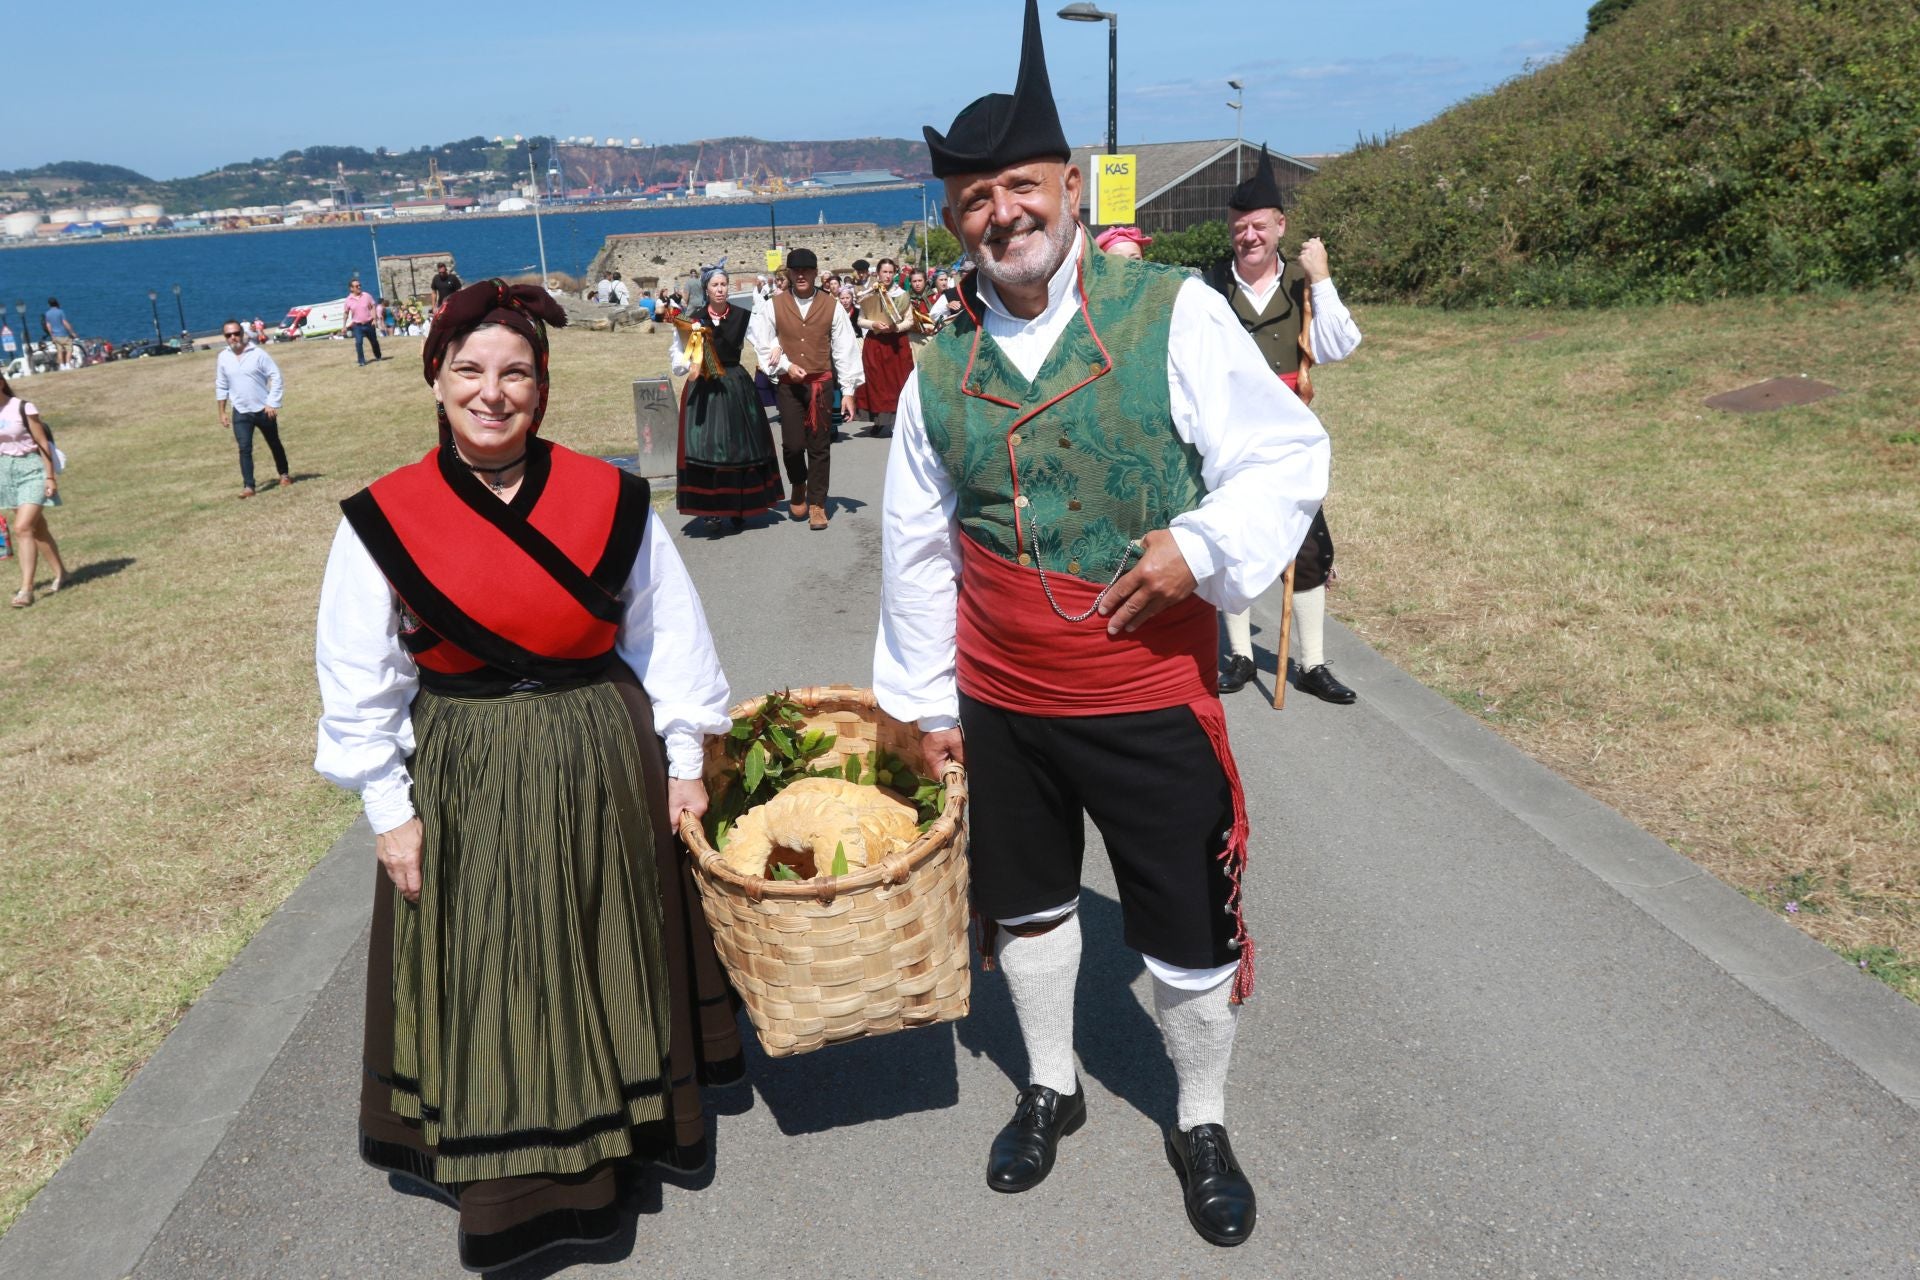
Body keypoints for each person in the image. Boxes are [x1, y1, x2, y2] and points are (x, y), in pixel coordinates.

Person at [873, 0, 1328, 1248]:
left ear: (1068, 187)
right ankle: (1052, 1086)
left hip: (1142, 694)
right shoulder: (935, 365)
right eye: (975, 199)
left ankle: (1200, 1113)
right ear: (955, 217)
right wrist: (918, 706)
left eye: (1022, 185)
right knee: (1026, 907)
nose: (1002, 214)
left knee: (1183, 929)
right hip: (1002, 699)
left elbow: (1287, 455)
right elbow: (915, 543)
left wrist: (1203, 544)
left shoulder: (1168, 311)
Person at [314, 280, 744, 1273]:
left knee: (608, 938)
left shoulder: (610, 496)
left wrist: (686, 764)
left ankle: (624, 1135)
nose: (491, 391)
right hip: (465, 767)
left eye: (514, 371)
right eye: (469, 369)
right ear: (435, 377)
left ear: (543, 386)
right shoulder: (384, 517)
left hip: (602, 753)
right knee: (497, 959)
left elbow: (669, 635)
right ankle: (516, 1181)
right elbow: (358, 675)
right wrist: (390, 806)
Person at [1202, 146, 1364, 704]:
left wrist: (1321, 278)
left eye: (1259, 226)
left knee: (1309, 548)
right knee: (1231, 542)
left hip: (1289, 440)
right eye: (1239, 227)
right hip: (1226, 438)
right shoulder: (1209, 287)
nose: (1249, 236)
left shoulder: (1302, 283)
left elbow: (1342, 345)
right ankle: (1241, 658)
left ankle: (1313, 664)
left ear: (1280, 227)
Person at [747, 247, 862, 530]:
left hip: (821, 384)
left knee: (820, 446)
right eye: (795, 271)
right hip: (789, 386)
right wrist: (785, 365)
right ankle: (799, 483)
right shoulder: (773, 305)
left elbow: (846, 349)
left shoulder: (831, 305)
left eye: (806, 271)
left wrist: (848, 391)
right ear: (789, 274)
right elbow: (761, 341)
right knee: (793, 445)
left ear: (814, 273)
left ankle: (817, 503)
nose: (801, 275)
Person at [670, 269, 783, 532]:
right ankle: (710, 509)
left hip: (735, 387)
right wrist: (691, 363)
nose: (720, 289)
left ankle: (739, 505)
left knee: (738, 445)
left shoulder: (743, 316)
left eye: (723, 284)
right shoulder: (691, 320)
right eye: (715, 285)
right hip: (704, 390)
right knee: (706, 446)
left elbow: (764, 342)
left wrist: (776, 347)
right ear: (706, 290)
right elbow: (678, 359)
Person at [0, 375, 69, 607]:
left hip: (32, 469)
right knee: (37, 527)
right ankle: (61, 573)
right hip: (5, 472)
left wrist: (49, 476)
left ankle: (26, 589)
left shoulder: (22, 407)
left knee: (22, 527)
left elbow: (42, 443)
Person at [215, 319, 292, 498]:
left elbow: (276, 376)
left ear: (242, 334)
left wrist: (272, 402)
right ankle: (249, 486)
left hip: (264, 410)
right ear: (225, 337)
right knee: (244, 448)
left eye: (236, 333)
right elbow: (221, 384)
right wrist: (222, 412)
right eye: (229, 335)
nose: (233, 337)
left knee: (274, 443)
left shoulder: (258, 354)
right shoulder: (223, 357)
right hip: (241, 411)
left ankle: (284, 474)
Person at [855, 258, 913, 437]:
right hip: (876, 343)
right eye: (884, 272)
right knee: (877, 382)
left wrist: (897, 327)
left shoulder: (902, 294)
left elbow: (909, 320)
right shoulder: (868, 294)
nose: (887, 276)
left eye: (890, 272)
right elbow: (860, 320)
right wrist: (874, 324)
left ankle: (900, 421)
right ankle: (879, 421)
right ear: (878, 273)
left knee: (899, 381)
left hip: (897, 343)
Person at [342, 279, 384, 365]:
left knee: (374, 341)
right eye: (357, 286)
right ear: (351, 288)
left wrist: (374, 319)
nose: (359, 287)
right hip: (357, 326)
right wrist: (344, 326)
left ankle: (378, 356)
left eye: (360, 285)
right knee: (358, 342)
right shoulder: (348, 300)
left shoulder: (366, 295)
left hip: (369, 323)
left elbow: (372, 306)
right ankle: (361, 361)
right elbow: (346, 313)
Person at [43, 298, 78, 368]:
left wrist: (52, 335)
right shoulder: (60, 312)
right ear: (57, 303)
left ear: (49, 305)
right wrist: (72, 332)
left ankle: (62, 365)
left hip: (55, 336)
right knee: (69, 349)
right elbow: (64, 322)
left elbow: (48, 325)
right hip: (63, 334)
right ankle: (68, 364)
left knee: (59, 351)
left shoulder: (47, 314)